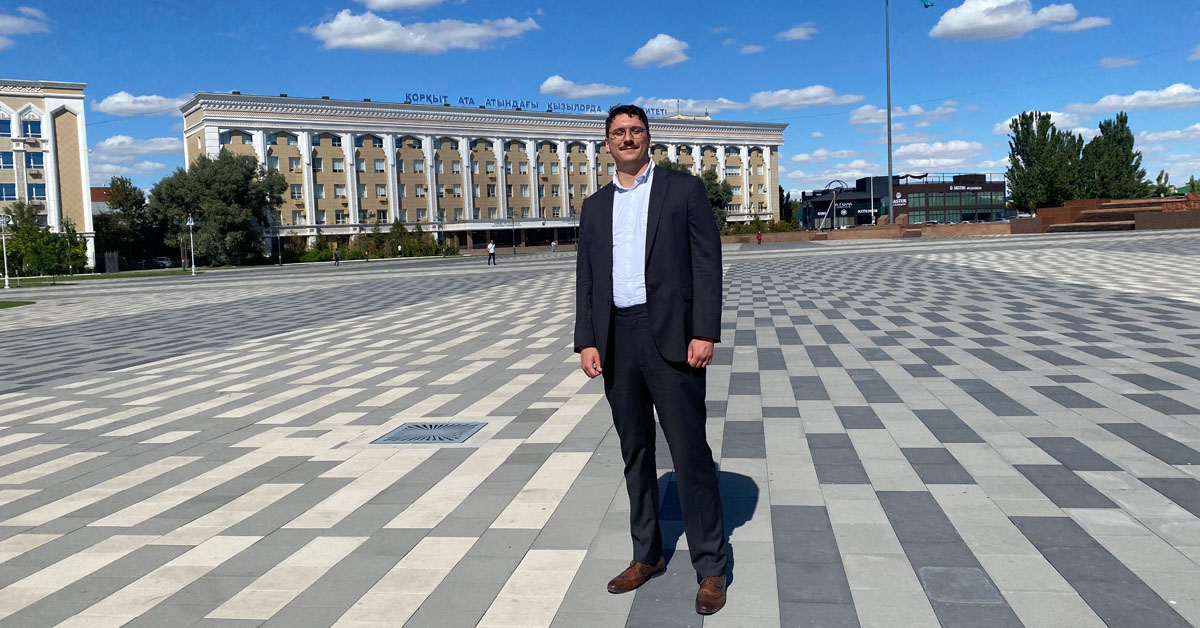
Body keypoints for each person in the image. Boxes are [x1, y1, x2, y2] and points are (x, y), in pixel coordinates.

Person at [574, 104, 727, 615]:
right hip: (618, 340)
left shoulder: (682, 191)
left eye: (635, 130)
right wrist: (587, 340)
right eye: (618, 132)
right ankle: (648, 555)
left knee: (689, 454)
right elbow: (588, 281)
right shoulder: (594, 207)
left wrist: (704, 330)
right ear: (607, 143)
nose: (627, 138)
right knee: (635, 453)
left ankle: (711, 567)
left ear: (648, 137)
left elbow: (707, 262)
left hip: (673, 339)